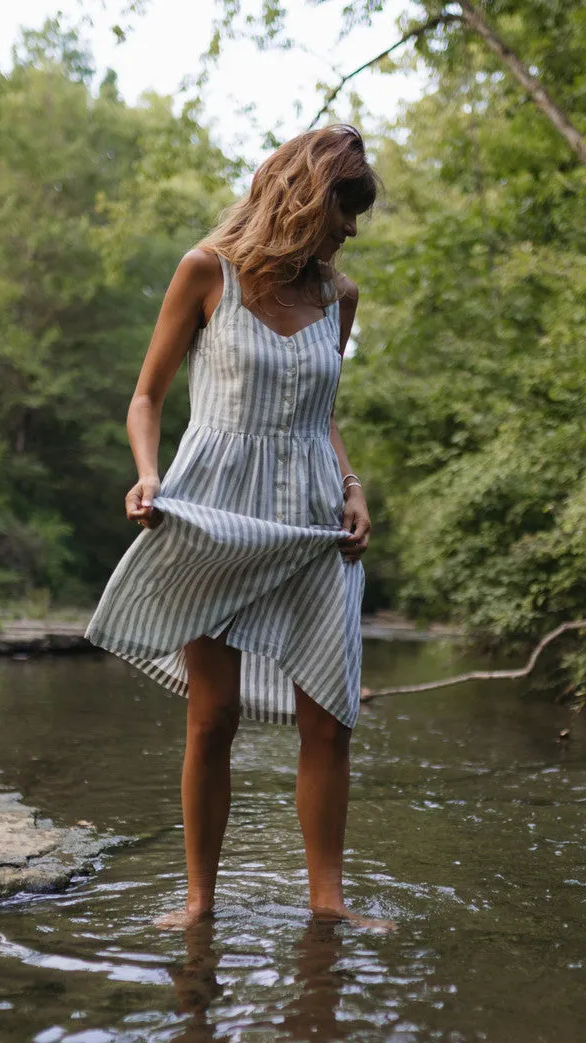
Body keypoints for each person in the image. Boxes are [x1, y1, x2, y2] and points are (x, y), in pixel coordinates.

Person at [86, 124, 392, 930]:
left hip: (315, 522)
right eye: (344, 209)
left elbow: (320, 415)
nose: (351, 228)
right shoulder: (204, 272)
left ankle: (327, 906)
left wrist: (353, 486)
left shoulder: (340, 297)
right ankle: (198, 902)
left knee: (328, 717)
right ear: (303, 199)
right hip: (214, 509)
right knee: (211, 716)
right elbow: (146, 396)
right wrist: (149, 473)